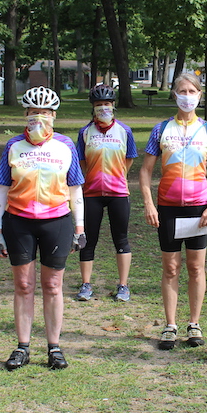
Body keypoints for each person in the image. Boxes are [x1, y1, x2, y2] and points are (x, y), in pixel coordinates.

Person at [0, 87, 85, 371]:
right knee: (23, 285)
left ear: (54, 116)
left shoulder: (66, 145)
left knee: (53, 285)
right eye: (34, 113)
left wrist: (79, 228)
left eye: (44, 113)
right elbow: (2, 189)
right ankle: (22, 346)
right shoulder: (14, 145)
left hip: (56, 221)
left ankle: (54, 347)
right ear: (26, 114)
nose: (39, 118)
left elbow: (75, 189)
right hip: (18, 221)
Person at [139, 72, 207, 350]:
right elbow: (145, 171)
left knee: (196, 267)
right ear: (174, 94)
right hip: (168, 208)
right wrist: (149, 204)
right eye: (182, 91)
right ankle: (170, 325)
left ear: (200, 94)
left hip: (199, 208)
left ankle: (194, 323)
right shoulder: (161, 128)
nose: (187, 95)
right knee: (170, 268)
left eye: (192, 91)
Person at [75, 84, 138, 302]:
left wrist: (117, 176)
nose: (103, 108)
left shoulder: (124, 131)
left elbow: (129, 158)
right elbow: (80, 161)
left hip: (118, 192)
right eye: (99, 105)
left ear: (114, 106)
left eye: (107, 104)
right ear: (92, 108)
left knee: (121, 239)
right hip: (91, 192)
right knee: (88, 240)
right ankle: (85, 284)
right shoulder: (85, 132)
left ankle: (123, 285)